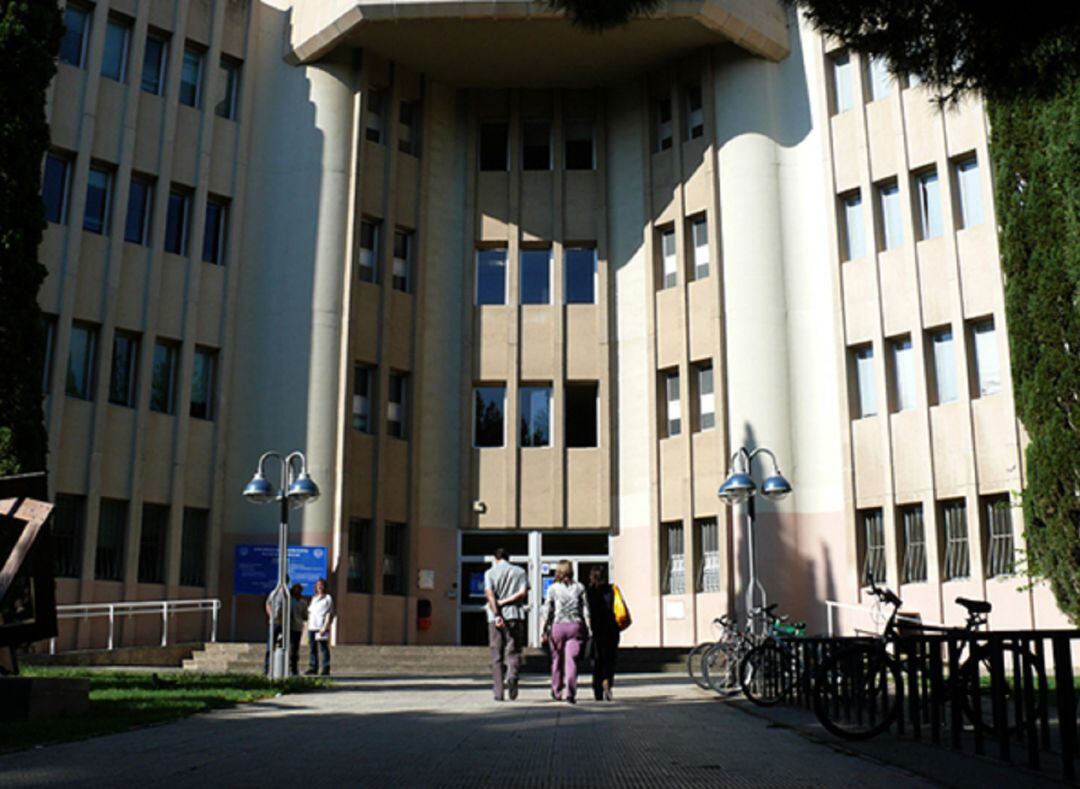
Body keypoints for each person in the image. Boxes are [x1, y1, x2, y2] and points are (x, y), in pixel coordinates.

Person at [541, 560, 591, 703]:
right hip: (575, 626)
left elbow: (547, 610)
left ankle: (556, 690)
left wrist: (543, 629)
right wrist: (589, 627)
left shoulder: (553, 588)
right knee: (571, 661)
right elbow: (586, 609)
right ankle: (570, 692)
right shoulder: (580, 587)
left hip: (558, 627)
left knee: (556, 660)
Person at [484, 547, 529, 701]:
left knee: (496, 653)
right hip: (515, 615)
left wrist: (497, 613)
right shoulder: (520, 572)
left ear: (495, 559)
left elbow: (490, 595)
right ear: (508, 558)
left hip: (494, 617)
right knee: (514, 650)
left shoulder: (490, 573)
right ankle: (512, 676)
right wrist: (507, 601)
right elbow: (523, 593)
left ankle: (498, 691)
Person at [586, 566, 620, 701]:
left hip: (597, 629)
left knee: (597, 660)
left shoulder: (589, 592)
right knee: (609, 659)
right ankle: (607, 681)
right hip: (611, 629)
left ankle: (597, 689)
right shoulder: (611, 590)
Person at [305, 577, 335, 676]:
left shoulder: (328, 598)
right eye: (318, 585)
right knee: (312, 648)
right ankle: (313, 667)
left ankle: (325, 668)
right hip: (312, 627)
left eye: (321, 585)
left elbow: (329, 614)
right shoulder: (314, 598)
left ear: (324, 586)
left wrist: (325, 627)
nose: (320, 587)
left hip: (321, 627)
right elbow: (310, 612)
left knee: (323, 648)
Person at [263, 575, 291, 676]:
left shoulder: (288, 594)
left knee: (285, 646)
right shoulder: (274, 593)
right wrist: (271, 615)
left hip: (284, 624)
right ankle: (267, 669)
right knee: (270, 646)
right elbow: (268, 604)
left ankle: (285, 669)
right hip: (274, 623)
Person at [288, 583, 308, 675]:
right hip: (288, 627)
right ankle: (287, 666)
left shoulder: (303, 602)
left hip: (297, 628)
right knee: (287, 648)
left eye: (299, 589)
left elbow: (305, 616)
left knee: (295, 649)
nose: (297, 591)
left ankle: (294, 668)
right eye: (296, 589)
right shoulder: (289, 600)